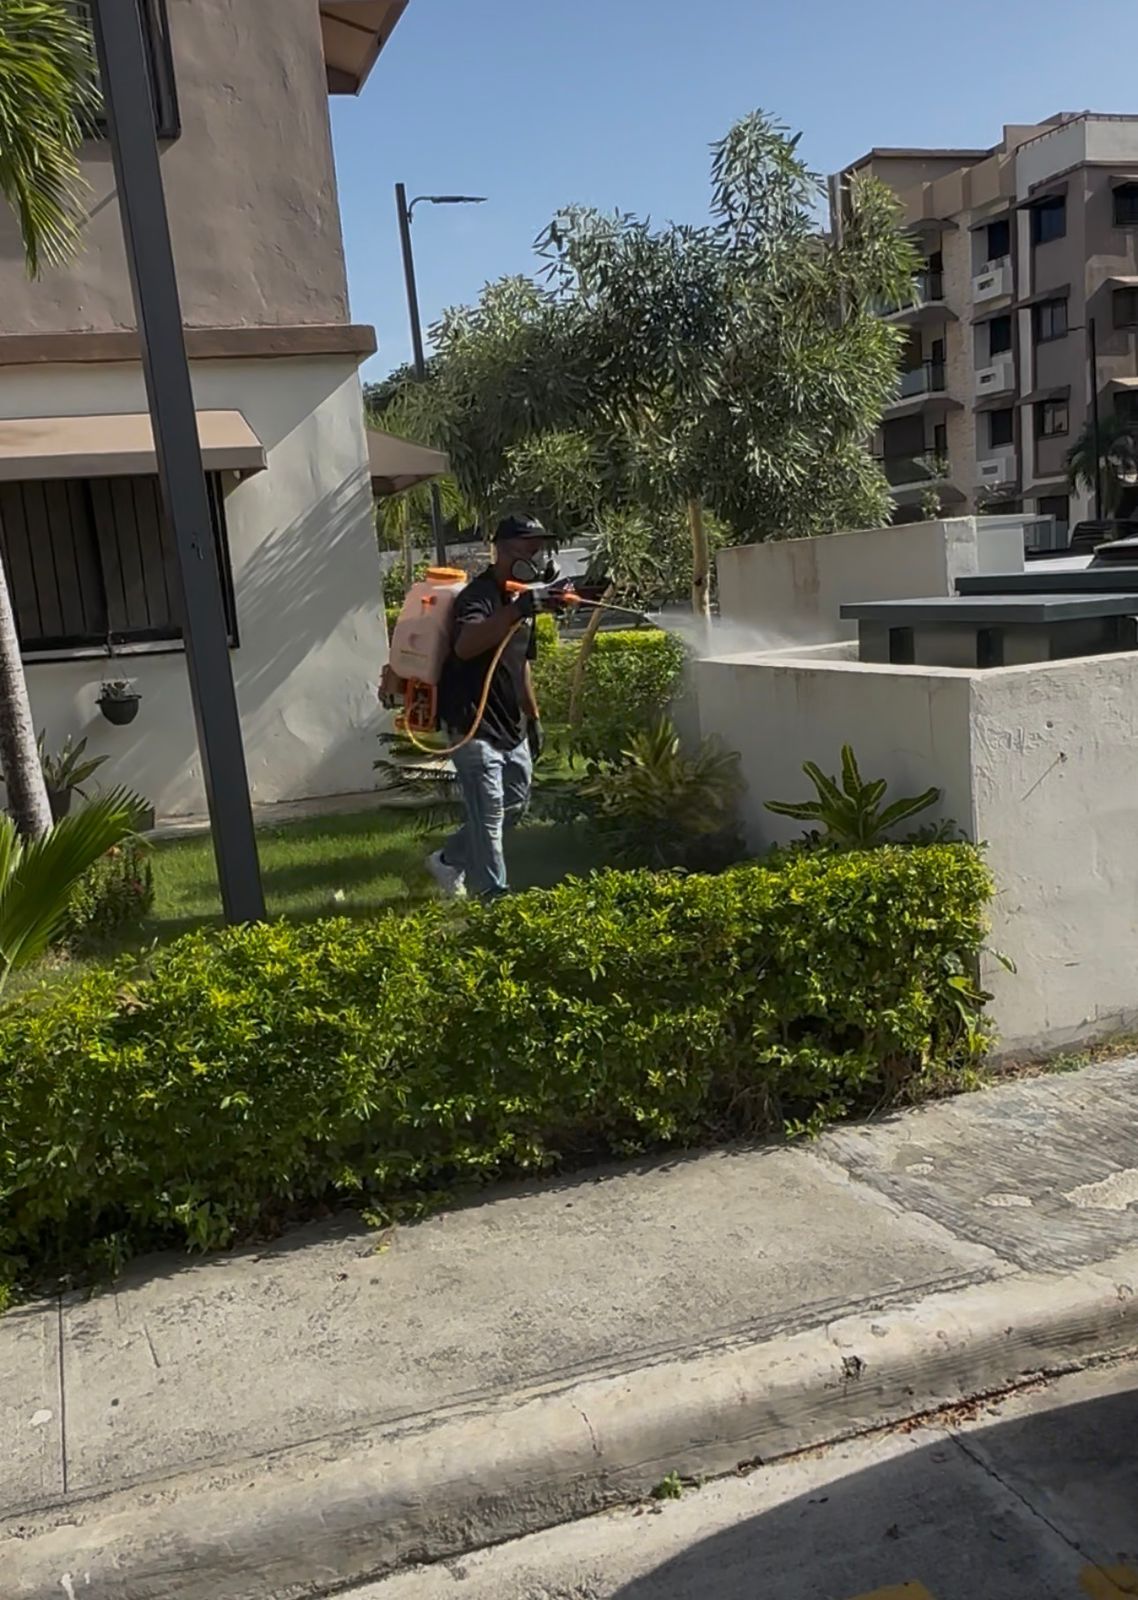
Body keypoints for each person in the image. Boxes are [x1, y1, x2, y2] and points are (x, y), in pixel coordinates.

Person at [427, 514, 560, 899]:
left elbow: (522, 666)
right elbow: (466, 645)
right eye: (528, 548)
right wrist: (517, 611)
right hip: (472, 724)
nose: (536, 557)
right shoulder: (478, 597)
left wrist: (533, 717)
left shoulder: (523, 600)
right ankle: (493, 898)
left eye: (539, 549)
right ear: (502, 550)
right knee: (488, 816)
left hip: (511, 726)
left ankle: (448, 860)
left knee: (514, 805)